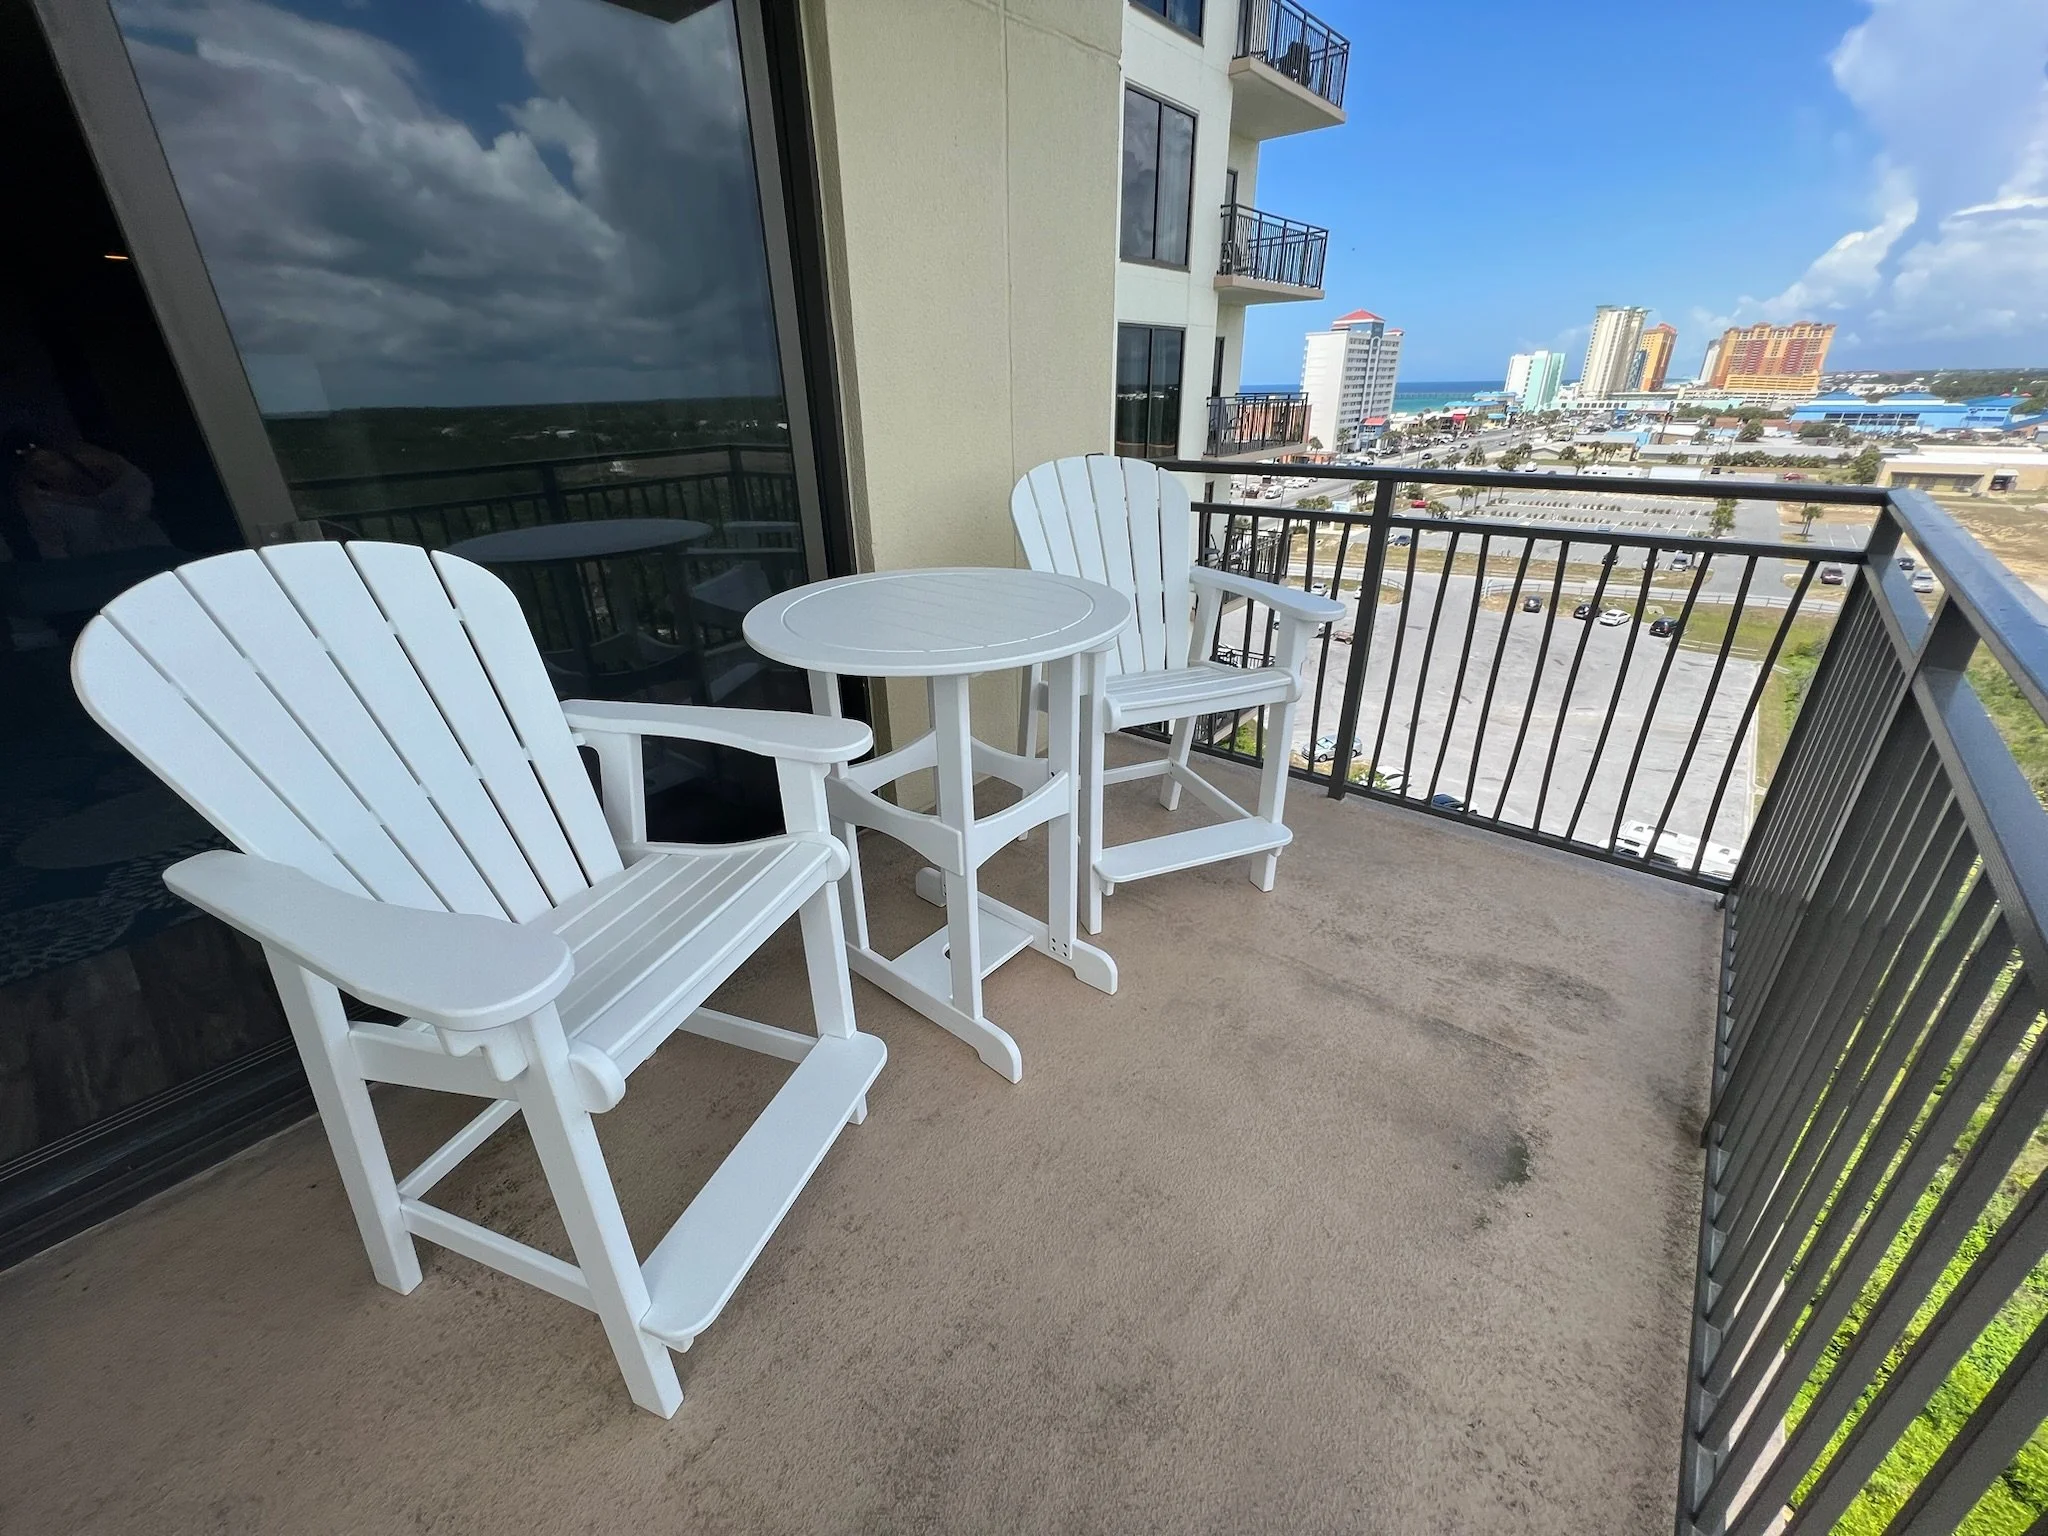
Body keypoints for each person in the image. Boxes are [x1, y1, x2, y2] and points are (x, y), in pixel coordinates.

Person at [2, 430, 169, 561]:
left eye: (52, 463)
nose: (47, 470)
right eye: (36, 469)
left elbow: (139, 483)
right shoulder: (36, 502)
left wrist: (134, 513)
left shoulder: (94, 462)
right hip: (102, 570)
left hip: (152, 549)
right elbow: (53, 551)